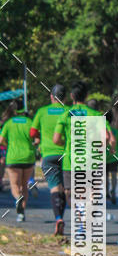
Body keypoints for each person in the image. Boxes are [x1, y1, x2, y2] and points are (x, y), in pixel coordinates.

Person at [52, 81, 115, 205]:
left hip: (71, 162)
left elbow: (56, 140)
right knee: (89, 191)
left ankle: (81, 214)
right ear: (86, 96)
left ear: (71, 96)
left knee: (71, 195)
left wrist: (66, 144)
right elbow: (107, 137)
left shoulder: (66, 115)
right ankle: (86, 211)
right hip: (91, 161)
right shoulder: (95, 114)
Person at [30, 83, 69, 235]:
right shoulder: (68, 111)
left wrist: (40, 138)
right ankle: (62, 216)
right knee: (65, 190)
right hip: (66, 155)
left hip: (48, 155)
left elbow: (32, 132)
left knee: (54, 188)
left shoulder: (41, 111)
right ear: (64, 97)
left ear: (51, 97)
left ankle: (58, 218)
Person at [0, 100, 35, 221]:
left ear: (14, 110)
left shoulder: (9, 123)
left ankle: (18, 199)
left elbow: (1, 140)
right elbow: (36, 138)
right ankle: (22, 213)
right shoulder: (30, 122)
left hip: (13, 157)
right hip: (28, 157)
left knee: (15, 185)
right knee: (24, 185)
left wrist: (7, 144)